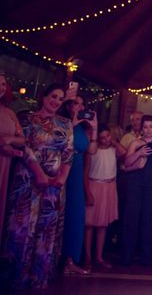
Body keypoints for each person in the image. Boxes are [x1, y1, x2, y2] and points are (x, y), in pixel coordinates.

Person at [3, 83, 74, 289]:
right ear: (44, 97)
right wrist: (39, 173)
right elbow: (24, 146)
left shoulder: (65, 123)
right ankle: (16, 277)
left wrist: (62, 177)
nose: (56, 102)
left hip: (54, 184)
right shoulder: (26, 118)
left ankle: (38, 277)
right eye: (53, 96)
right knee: (22, 226)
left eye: (60, 99)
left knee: (46, 230)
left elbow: (69, 153)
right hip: (28, 179)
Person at [121, 115, 152, 266]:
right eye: (145, 127)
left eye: (151, 126)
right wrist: (139, 153)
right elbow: (127, 163)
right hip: (135, 182)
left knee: (149, 219)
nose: (148, 130)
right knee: (131, 218)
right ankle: (127, 255)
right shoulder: (135, 142)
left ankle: (145, 257)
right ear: (142, 128)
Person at [58, 94, 98, 275]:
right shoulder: (61, 122)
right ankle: (55, 260)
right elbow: (58, 142)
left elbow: (91, 150)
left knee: (76, 215)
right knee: (60, 213)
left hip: (77, 173)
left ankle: (70, 260)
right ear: (68, 105)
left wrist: (94, 129)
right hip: (61, 170)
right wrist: (71, 124)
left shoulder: (83, 129)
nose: (80, 107)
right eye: (76, 103)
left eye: (83, 104)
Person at [84, 124, 126, 270]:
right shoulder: (92, 150)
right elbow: (86, 170)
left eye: (107, 136)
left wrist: (114, 142)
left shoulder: (114, 149)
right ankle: (88, 256)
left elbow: (124, 153)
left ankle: (99, 257)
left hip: (109, 186)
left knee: (102, 224)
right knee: (89, 224)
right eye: (102, 137)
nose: (105, 139)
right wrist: (87, 191)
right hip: (94, 185)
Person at [0, 72, 25, 241]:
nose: (1, 88)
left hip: (4, 166)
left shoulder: (9, 113)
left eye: (3, 84)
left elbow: (23, 140)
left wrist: (10, 139)